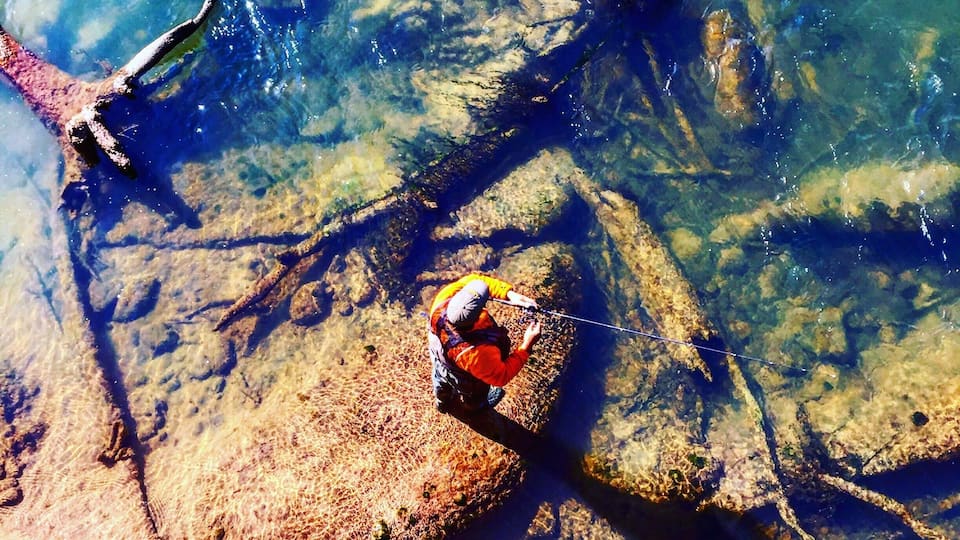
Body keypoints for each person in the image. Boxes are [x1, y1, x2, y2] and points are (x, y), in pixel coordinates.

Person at [427, 273, 541, 413]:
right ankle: (474, 407)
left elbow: (474, 280)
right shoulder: (477, 352)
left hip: (440, 360)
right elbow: (501, 376)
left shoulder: (443, 299)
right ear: (476, 318)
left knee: (440, 379)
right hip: (462, 376)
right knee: (474, 392)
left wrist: (510, 295)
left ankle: (442, 403)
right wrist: (527, 345)